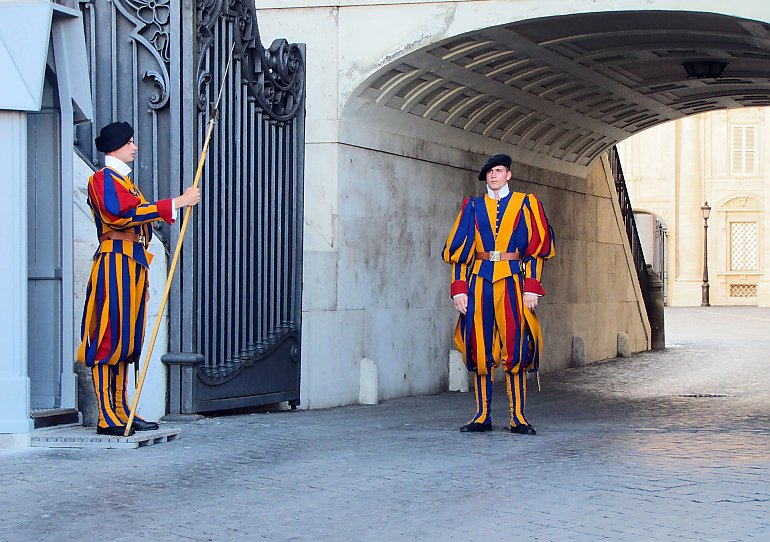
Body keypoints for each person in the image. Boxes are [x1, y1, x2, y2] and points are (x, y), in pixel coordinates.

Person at [77, 121, 200, 436]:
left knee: (128, 341)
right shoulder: (101, 180)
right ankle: (108, 416)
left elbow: (137, 215)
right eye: (129, 142)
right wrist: (175, 203)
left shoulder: (125, 183)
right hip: (115, 262)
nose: (134, 147)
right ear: (116, 146)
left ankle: (122, 410)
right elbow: (120, 214)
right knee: (110, 337)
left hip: (131, 264)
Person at [442, 154, 555, 435]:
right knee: (480, 348)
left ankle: (518, 417)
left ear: (508, 175)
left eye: (498, 171)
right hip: (479, 280)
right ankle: (482, 415)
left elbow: (535, 249)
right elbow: (460, 253)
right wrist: (459, 290)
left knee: (516, 346)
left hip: (513, 281)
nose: (493, 176)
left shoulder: (525, 204)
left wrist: (532, 286)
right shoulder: (473, 206)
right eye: (490, 172)